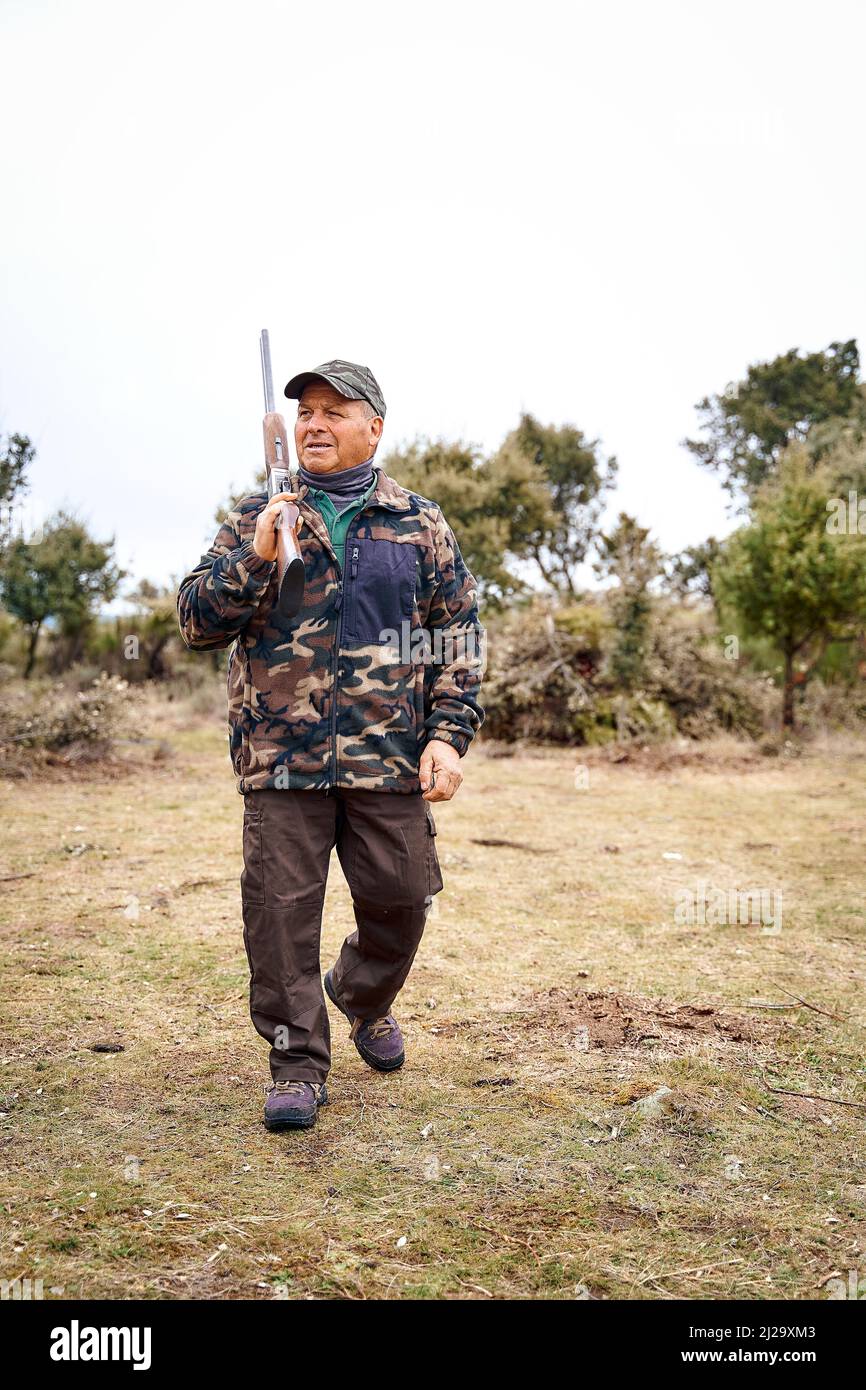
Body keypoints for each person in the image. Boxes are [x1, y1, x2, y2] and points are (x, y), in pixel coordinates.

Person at [176, 359, 485, 1130]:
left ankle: (362, 997)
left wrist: (447, 738)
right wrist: (255, 555)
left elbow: (456, 636)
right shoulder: (259, 512)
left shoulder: (419, 522)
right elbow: (194, 621)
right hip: (280, 760)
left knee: (403, 900)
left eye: (334, 412)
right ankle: (295, 1063)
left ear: (373, 429)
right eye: (305, 413)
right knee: (279, 920)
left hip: (389, 758)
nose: (315, 424)